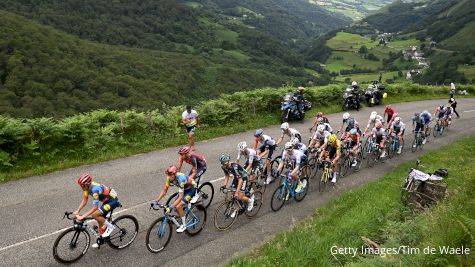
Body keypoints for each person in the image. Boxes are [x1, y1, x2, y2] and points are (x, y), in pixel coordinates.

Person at [75, 174, 120, 248]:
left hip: (113, 201)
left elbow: (95, 208)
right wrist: (77, 211)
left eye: (82, 185)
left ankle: (110, 227)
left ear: (87, 184)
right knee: (99, 220)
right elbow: (84, 200)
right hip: (107, 200)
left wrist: (83, 216)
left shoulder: (94, 190)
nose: (81, 187)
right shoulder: (87, 188)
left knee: (95, 215)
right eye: (81, 185)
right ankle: (101, 239)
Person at [152, 166, 197, 233]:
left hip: (191, 189)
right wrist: (157, 200)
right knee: (176, 209)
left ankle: (184, 225)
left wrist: (171, 207)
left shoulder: (181, 179)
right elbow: (164, 190)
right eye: (168, 175)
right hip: (184, 189)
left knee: (178, 206)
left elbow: (181, 196)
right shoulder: (169, 178)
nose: (169, 177)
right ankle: (183, 216)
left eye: (170, 175)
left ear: (175, 174)